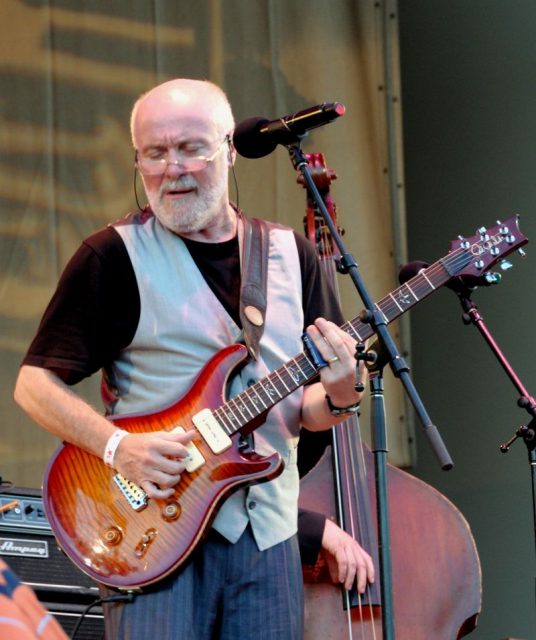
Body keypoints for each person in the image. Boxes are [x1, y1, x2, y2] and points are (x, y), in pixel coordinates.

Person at [14, 78, 374, 639]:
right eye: (154, 154)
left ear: (229, 150)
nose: (172, 169)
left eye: (190, 148)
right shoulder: (112, 256)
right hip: (154, 533)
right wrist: (120, 448)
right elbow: (33, 385)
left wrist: (345, 390)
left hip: (268, 538)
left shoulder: (291, 255)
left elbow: (309, 410)